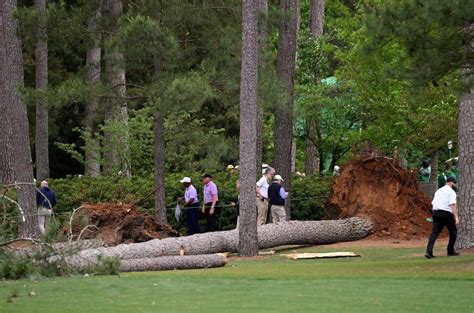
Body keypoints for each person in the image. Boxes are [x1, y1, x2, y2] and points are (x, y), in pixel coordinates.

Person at [425, 176, 460, 259]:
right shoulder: (451, 192)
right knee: (453, 232)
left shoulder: (439, 191)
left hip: (436, 213)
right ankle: (450, 251)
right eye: (454, 183)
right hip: (446, 214)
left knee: (434, 233)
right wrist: (456, 217)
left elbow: (433, 203)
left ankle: (428, 251)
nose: (454, 185)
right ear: (452, 183)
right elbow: (452, 204)